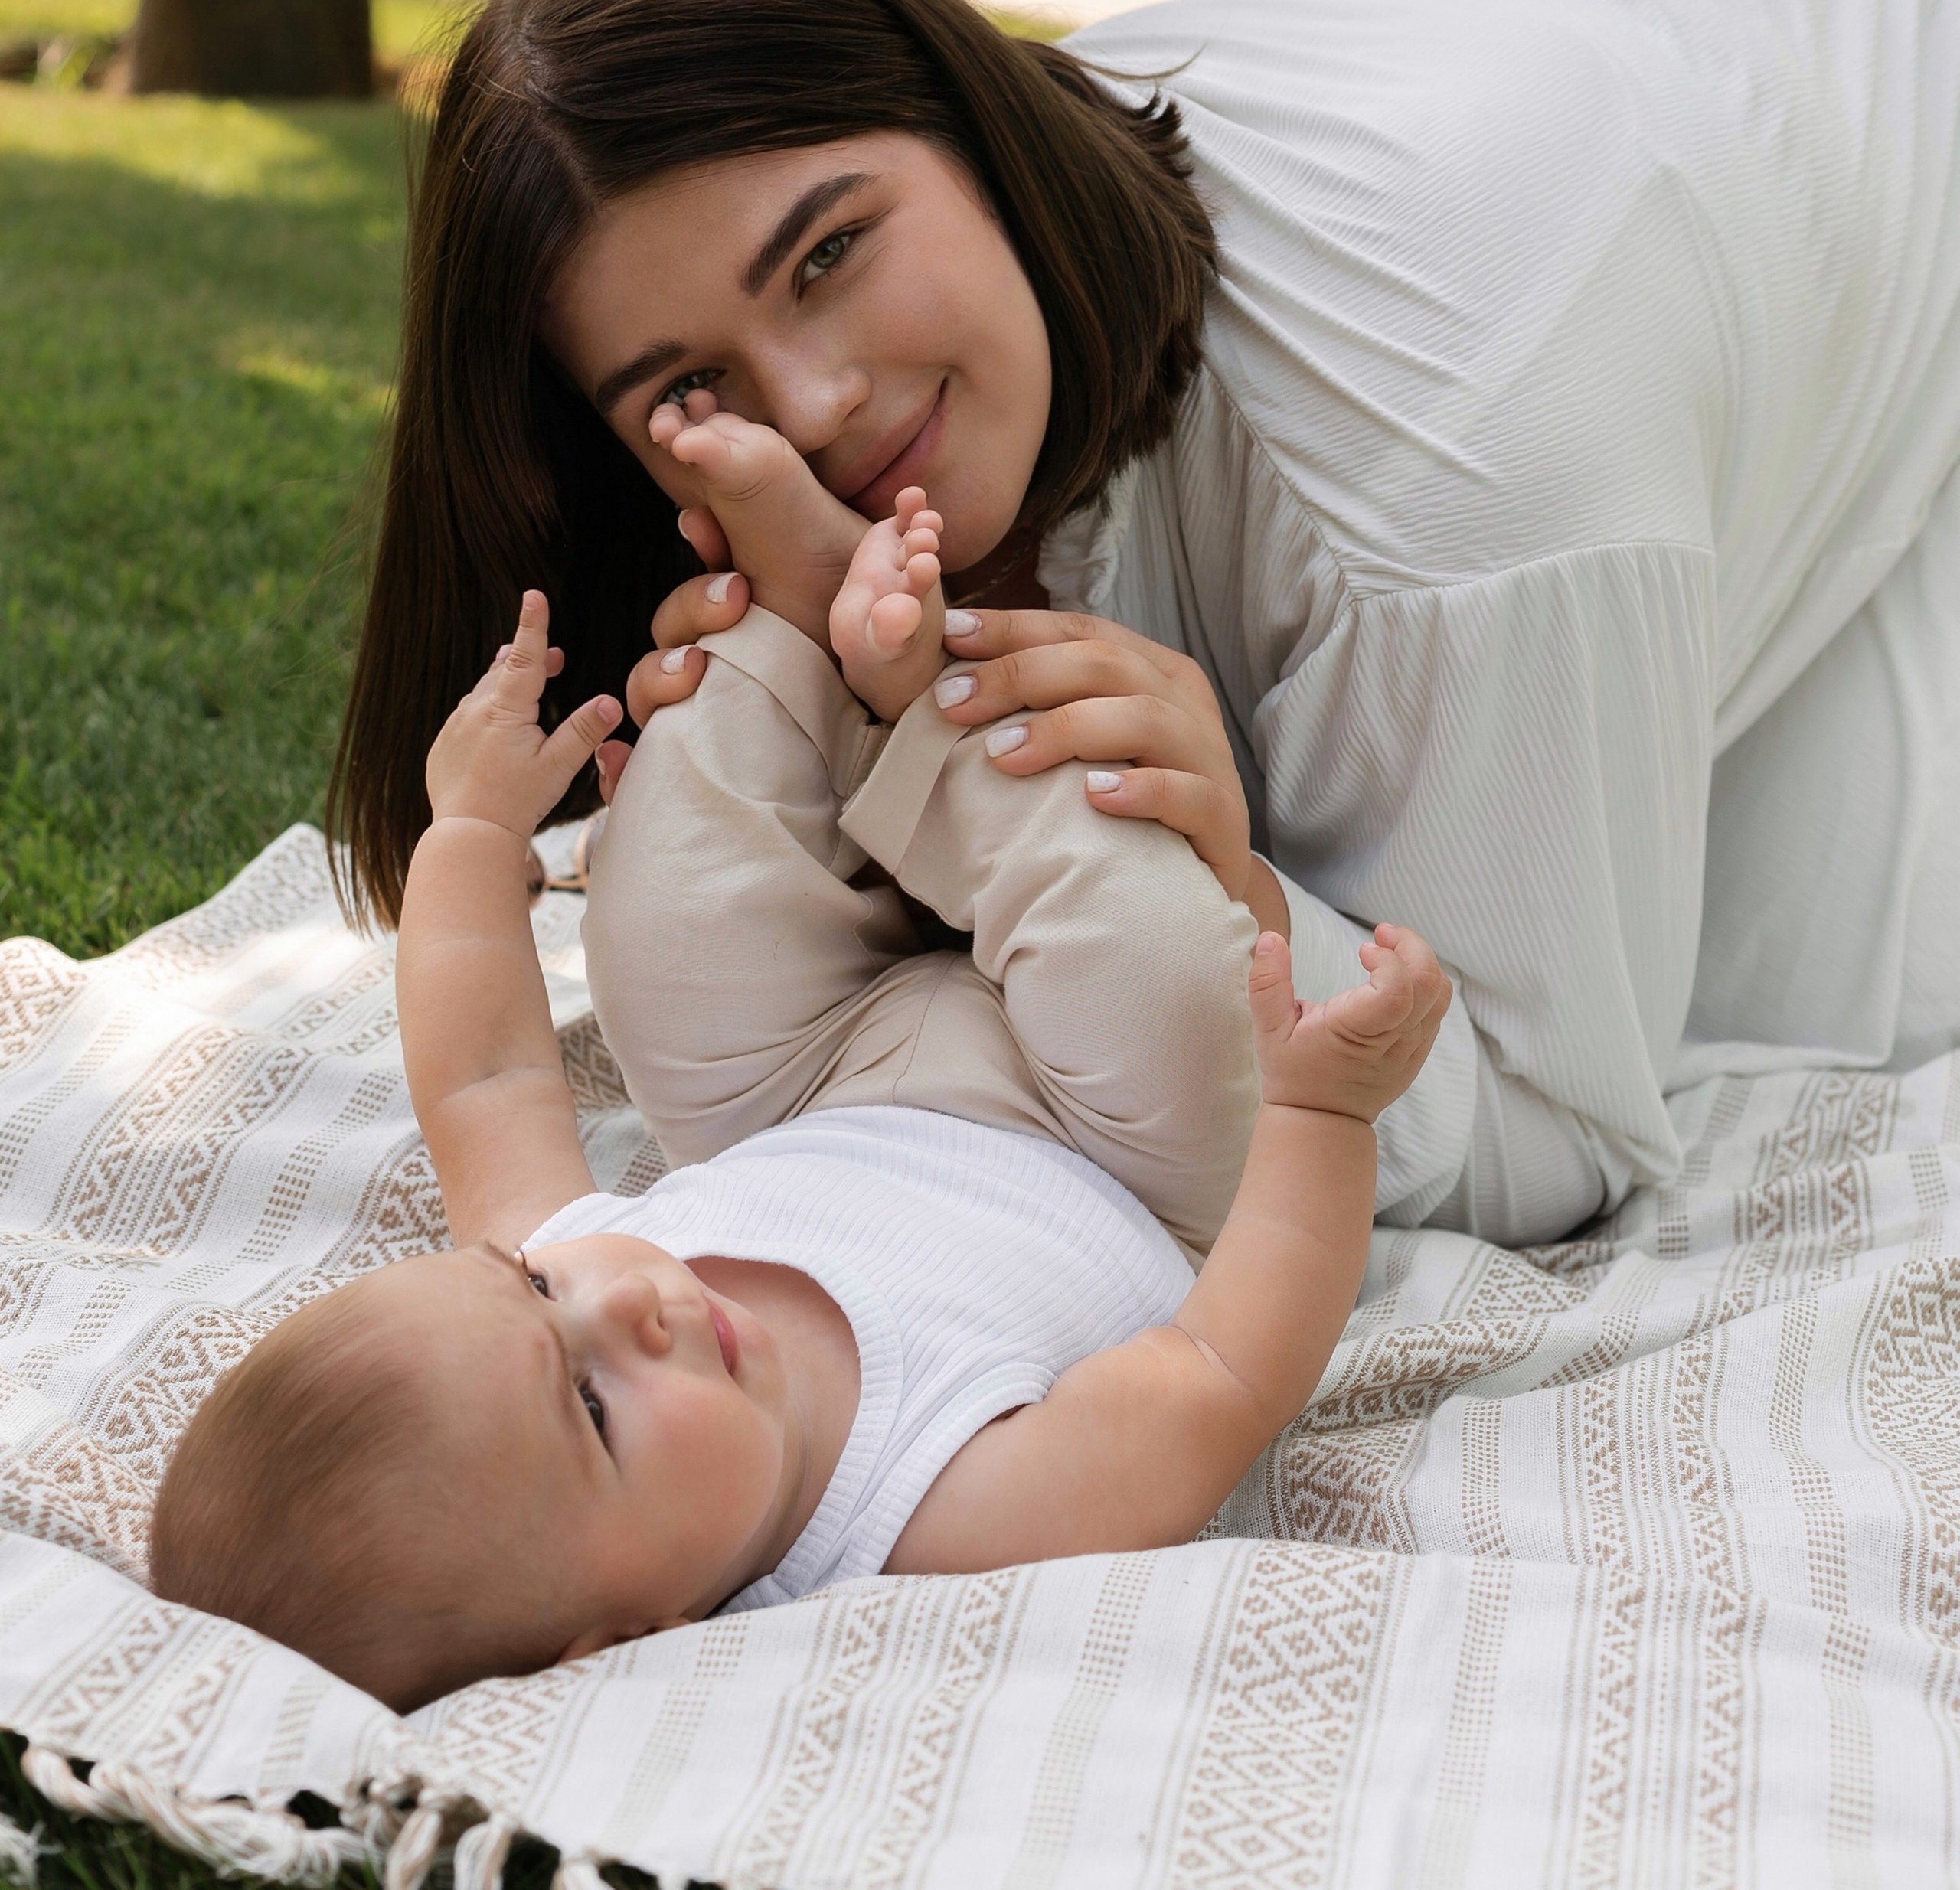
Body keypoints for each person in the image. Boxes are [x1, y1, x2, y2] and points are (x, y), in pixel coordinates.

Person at [331, 0, 1960, 1245]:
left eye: (826, 255)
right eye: (691, 389)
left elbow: (1561, 1126)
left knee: (1833, 936)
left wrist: (1229, 886)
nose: (814, 407)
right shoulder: (911, 339)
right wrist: (816, 728)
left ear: (976, 118)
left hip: (1873, 80)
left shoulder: (1443, 493)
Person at [151, 478, 1449, 1710]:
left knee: (665, 923)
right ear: (623, 1643)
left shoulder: (578, 1263)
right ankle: (921, 704)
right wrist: (1324, 1116)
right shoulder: (938, 1516)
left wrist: (474, 834)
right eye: (594, 1410)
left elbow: (485, 1078)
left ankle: (780, 635)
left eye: (536, 1288)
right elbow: (1218, 1375)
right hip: (1124, 1155)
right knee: (1157, 970)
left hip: (810, 1078)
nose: (620, 1302)